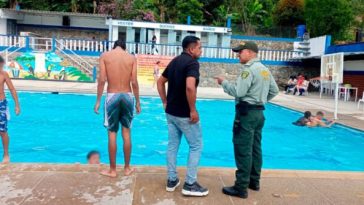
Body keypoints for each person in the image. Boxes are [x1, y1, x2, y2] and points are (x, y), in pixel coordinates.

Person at [215, 41, 279, 199]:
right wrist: (261, 100)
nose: (238, 54)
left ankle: (241, 187)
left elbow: (239, 91)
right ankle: (254, 181)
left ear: (250, 52)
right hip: (259, 114)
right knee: (256, 148)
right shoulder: (264, 70)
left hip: (246, 114)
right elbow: (274, 90)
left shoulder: (248, 70)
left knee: (243, 149)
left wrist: (224, 82)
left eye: (240, 52)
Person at [157, 36, 208, 196]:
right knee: (196, 145)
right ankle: (190, 184)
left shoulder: (175, 61)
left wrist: (165, 102)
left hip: (171, 113)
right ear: (191, 49)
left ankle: (172, 180)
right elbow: (190, 87)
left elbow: (160, 82)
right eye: (199, 48)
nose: (201, 50)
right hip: (184, 114)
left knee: (172, 145)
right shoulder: (192, 63)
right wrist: (192, 110)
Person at [94, 39, 141, 177]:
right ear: (124, 47)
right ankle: (127, 168)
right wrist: (138, 101)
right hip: (127, 96)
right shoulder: (131, 58)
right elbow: (134, 82)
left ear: (114, 46)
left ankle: (113, 170)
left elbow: (102, 80)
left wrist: (97, 101)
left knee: (112, 133)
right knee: (126, 133)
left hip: (112, 96)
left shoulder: (105, 56)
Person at [0, 56, 20, 164]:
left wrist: (17, 105)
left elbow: (12, 89)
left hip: (1, 105)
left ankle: (6, 154)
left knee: (2, 131)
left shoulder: (3, 74)